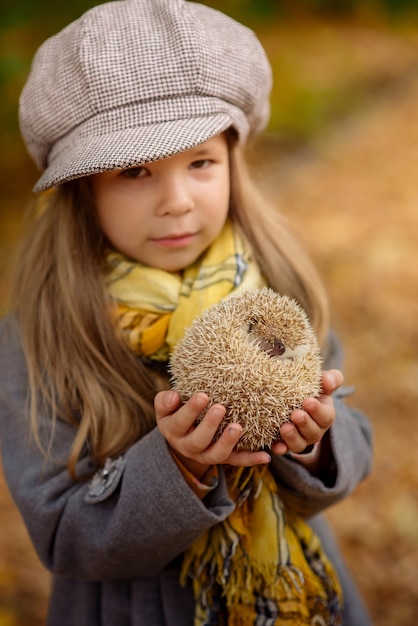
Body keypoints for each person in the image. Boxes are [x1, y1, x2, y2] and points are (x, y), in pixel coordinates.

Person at [0, 1, 373, 624]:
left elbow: (354, 438)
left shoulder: (276, 287)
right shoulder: (39, 336)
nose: (175, 202)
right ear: (82, 187)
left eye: (200, 162)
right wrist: (179, 466)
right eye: (135, 170)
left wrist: (314, 444)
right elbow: (63, 536)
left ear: (233, 160)